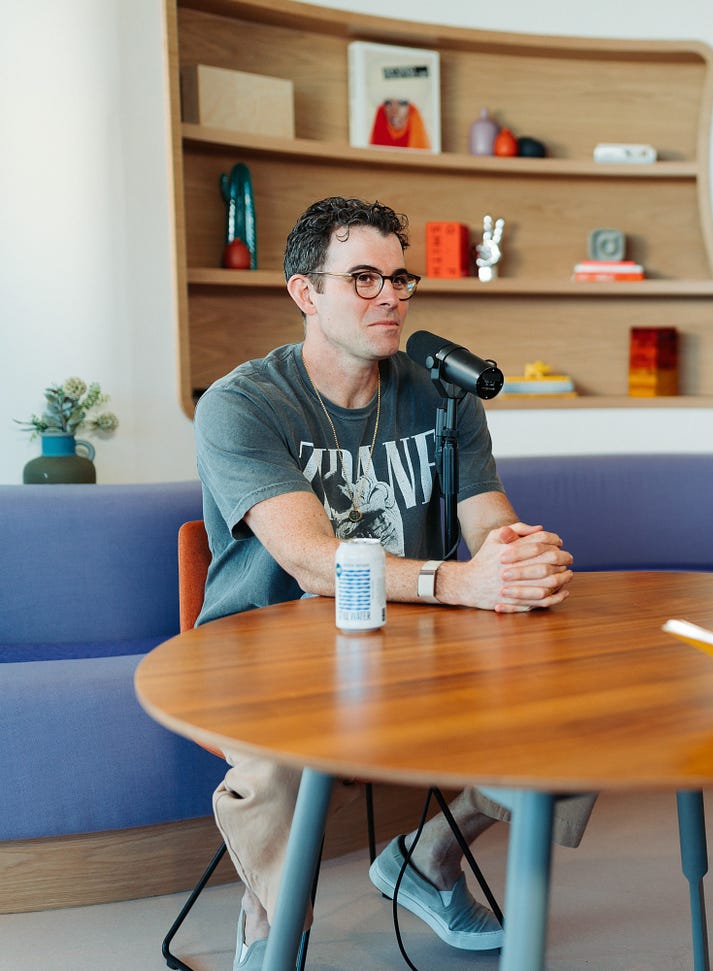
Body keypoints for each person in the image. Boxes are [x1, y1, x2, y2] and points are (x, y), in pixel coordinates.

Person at [193, 196, 594, 970]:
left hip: (410, 643)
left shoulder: (444, 394)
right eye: (365, 278)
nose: (392, 296)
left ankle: (430, 857)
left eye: (401, 277)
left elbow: (487, 521)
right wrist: (461, 582)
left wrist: (515, 555)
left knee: (581, 706)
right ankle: (273, 929)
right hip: (265, 654)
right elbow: (312, 560)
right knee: (275, 770)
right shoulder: (242, 403)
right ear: (305, 293)